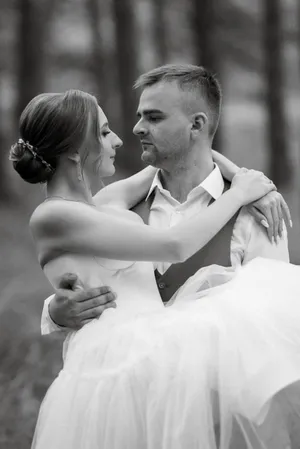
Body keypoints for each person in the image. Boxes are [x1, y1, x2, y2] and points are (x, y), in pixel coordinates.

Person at [10, 88, 300, 449]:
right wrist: (239, 193)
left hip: (167, 366)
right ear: (73, 150)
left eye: (153, 117)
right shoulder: (54, 215)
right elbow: (174, 246)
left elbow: (186, 156)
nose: (120, 137)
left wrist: (246, 179)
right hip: (118, 368)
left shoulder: (104, 203)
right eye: (103, 132)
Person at [42, 64, 291, 332]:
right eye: (140, 116)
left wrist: (245, 185)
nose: (137, 128)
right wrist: (55, 313)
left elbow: (276, 319)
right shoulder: (116, 205)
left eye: (154, 118)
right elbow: (87, 283)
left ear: (196, 125)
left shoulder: (257, 215)